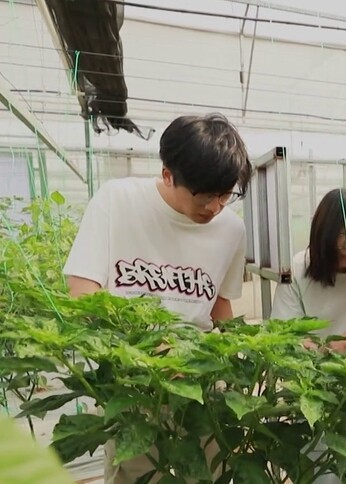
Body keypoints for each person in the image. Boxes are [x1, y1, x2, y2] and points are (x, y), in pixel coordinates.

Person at [63, 113, 251, 483]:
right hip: (134, 384)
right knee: (136, 473)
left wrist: (246, 368)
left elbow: (220, 306)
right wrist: (147, 352)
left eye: (225, 194)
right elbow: (82, 292)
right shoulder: (118, 201)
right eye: (204, 194)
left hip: (200, 382)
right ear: (168, 175)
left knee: (209, 474)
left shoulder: (231, 228)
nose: (214, 207)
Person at [270, 187, 346, 484]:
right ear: (321, 232)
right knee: (319, 465)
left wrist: (342, 344)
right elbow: (286, 329)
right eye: (340, 234)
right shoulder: (298, 267)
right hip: (309, 376)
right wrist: (318, 352)